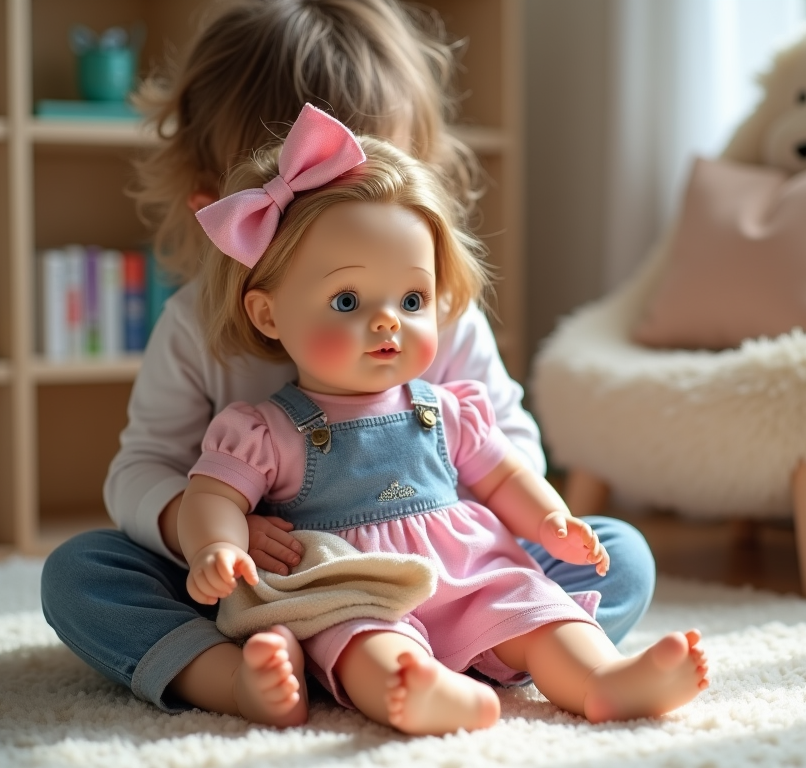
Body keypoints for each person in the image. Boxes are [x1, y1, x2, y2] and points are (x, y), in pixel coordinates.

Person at [40, 0, 657, 722]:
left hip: (442, 569)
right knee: (83, 573)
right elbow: (142, 467)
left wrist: (526, 519)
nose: (383, 312)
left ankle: (479, 648)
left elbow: (506, 442)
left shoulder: (444, 317)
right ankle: (230, 674)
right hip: (263, 584)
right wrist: (203, 534)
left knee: (618, 552)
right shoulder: (191, 333)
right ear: (229, 221)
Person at [178, 103, 708, 735]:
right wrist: (216, 545)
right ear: (268, 316)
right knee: (361, 639)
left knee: (533, 603)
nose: (386, 321)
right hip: (351, 582)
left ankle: (602, 680)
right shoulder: (266, 429)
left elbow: (503, 476)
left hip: (468, 568)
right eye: (347, 300)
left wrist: (550, 519)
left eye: (411, 299)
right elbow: (210, 493)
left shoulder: (448, 407)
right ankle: (415, 686)